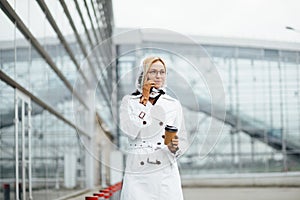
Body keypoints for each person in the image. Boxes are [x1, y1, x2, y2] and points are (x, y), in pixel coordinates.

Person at [119, 56, 188, 200]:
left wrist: (174, 147)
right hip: (138, 171)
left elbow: (182, 139)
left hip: (164, 171)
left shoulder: (173, 104)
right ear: (144, 74)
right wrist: (144, 102)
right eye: (153, 71)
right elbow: (130, 132)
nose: (158, 76)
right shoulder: (129, 102)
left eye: (162, 72)